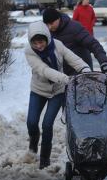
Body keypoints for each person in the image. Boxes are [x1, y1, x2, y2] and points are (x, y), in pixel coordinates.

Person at [25, 21, 91, 169]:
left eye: (41, 42)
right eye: (35, 43)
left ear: (47, 38)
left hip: (57, 91)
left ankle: (44, 159)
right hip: (38, 90)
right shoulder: (29, 52)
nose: (39, 46)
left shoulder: (58, 45)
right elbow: (43, 70)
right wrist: (66, 79)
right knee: (31, 122)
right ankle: (33, 143)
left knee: (47, 125)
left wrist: (85, 69)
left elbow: (72, 58)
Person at [42, 7, 107, 76]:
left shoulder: (74, 28)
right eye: (47, 24)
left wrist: (103, 62)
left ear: (58, 18)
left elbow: (92, 44)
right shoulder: (46, 32)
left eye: (51, 23)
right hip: (61, 73)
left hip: (80, 71)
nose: (49, 27)